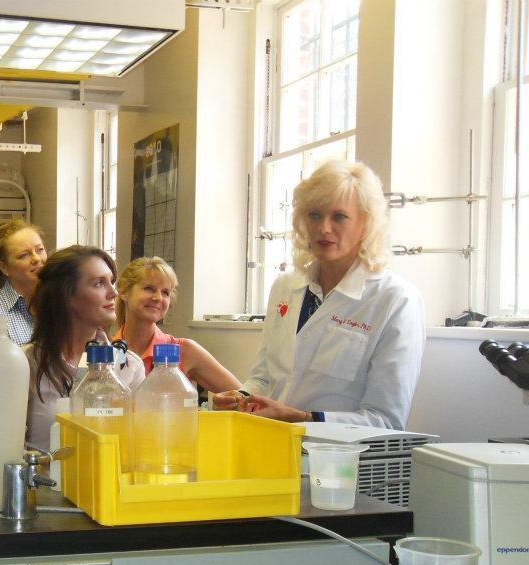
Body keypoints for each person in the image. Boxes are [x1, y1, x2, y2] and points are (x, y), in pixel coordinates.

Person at [215, 159, 425, 430]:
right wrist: (240, 398)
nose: (324, 228)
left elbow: (385, 420)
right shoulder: (285, 288)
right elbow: (264, 378)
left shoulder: (396, 300)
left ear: (366, 224)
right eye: (314, 215)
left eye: (339, 216)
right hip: (270, 444)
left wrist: (304, 419)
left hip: (338, 460)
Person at [24, 245, 145, 451]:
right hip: (44, 481)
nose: (114, 293)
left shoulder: (128, 366)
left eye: (111, 282)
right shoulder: (26, 364)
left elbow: (139, 443)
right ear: (66, 296)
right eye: (99, 283)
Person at [113, 256, 241, 392]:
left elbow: (245, 398)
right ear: (124, 292)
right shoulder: (104, 351)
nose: (158, 298)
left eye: (165, 292)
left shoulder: (184, 351)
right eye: (149, 288)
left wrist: (222, 404)